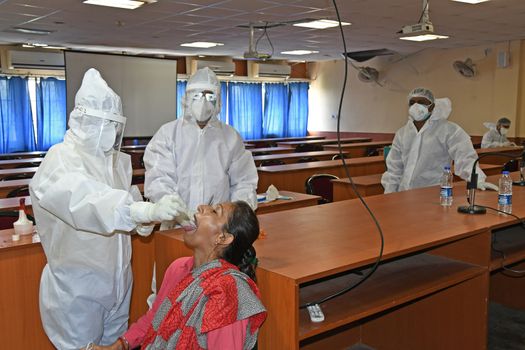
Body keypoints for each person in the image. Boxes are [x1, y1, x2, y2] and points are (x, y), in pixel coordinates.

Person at [29, 68, 186, 350]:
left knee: (115, 345)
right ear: (87, 121)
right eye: (108, 123)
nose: (113, 132)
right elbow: (87, 202)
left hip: (117, 281)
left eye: (116, 124)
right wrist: (140, 212)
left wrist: (146, 217)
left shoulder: (115, 162)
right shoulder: (60, 161)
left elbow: (128, 208)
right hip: (78, 289)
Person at [88, 201, 267, 350]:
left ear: (223, 238)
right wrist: (117, 346)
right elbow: (156, 318)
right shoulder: (178, 268)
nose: (201, 207)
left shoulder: (227, 293)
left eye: (214, 211)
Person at [143, 67, 258, 225]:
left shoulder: (230, 137)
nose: (203, 102)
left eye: (209, 96)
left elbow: (244, 181)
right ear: (187, 98)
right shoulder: (168, 134)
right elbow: (158, 179)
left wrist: (231, 216)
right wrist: (180, 213)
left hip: (218, 227)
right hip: (176, 224)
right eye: (197, 96)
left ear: (218, 101)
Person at [381, 87, 498, 193]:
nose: (416, 106)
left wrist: (477, 179)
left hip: (433, 194)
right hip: (404, 193)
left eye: (421, 102)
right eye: (412, 103)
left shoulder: (449, 130)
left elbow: (465, 158)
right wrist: (389, 193)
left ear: (432, 106)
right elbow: (394, 169)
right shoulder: (402, 133)